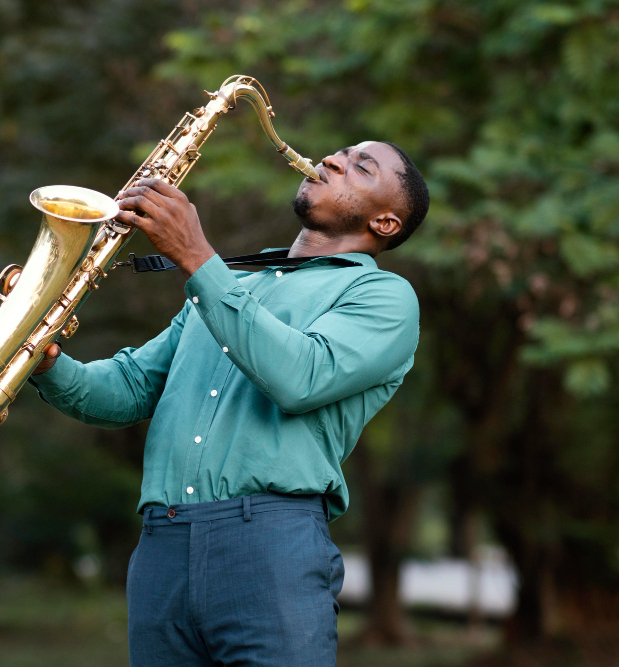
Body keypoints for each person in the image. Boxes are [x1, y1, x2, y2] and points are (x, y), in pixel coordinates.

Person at [28, 141, 429, 666]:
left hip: (271, 544)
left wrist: (197, 257)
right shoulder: (229, 284)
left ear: (385, 224)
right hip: (161, 547)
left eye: (362, 166)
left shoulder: (384, 297)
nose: (333, 160)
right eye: (341, 152)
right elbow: (128, 388)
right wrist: (42, 359)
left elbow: (300, 377)